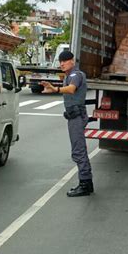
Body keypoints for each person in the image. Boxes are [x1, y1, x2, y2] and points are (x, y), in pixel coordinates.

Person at [41, 49, 94, 198]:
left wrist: (55, 89)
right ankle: (86, 183)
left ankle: (85, 184)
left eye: (65, 60)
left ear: (73, 61)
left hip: (77, 116)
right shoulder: (69, 76)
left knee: (79, 151)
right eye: (60, 61)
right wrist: (53, 89)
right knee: (78, 150)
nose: (62, 63)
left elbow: (71, 89)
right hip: (73, 116)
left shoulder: (76, 75)